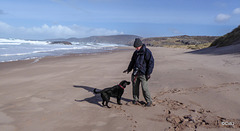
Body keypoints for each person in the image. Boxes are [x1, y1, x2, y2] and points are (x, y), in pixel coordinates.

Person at [123, 38, 154, 107]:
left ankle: (149, 101)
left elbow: (151, 63)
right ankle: (135, 100)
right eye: (135, 47)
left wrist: (148, 73)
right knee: (135, 88)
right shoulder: (135, 53)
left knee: (144, 88)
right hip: (135, 73)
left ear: (140, 45)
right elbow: (132, 61)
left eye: (137, 47)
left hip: (143, 74)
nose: (136, 49)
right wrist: (129, 69)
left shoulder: (147, 52)